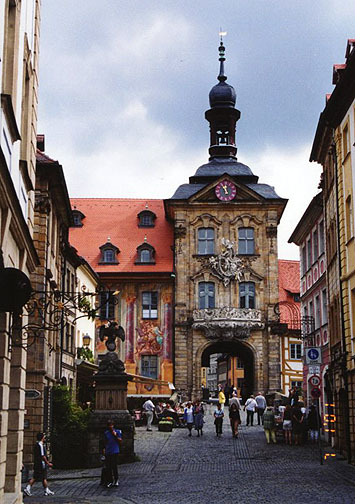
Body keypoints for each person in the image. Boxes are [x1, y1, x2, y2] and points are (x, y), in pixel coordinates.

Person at [23, 432, 54, 497]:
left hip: (38, 463)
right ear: (42, 437)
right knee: (35, 477)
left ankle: (46, 490)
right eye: (44, 436)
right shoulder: (40, 445)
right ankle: (27, 488)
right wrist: (48, 463)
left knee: (44, 477)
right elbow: (43, 456)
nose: (45, 437)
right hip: (41, 464)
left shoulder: (37, 444)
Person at [104, 419, 122, 488]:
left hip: (115, 451)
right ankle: (110, 481)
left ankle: (116, 480)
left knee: (114, 466)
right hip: (108, 451)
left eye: (111, 425)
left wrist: (115, 435)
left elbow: (120, 441)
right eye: (109, 425)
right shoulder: (106, 433)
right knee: (108, 467)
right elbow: (105, 442)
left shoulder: (117, 431)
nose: (110, 427)